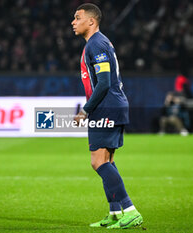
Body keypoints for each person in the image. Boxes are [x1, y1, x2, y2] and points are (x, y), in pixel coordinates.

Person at [71, 3, 143, 229]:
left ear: (91, 21)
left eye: (77, 17)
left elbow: (103, 83)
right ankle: (114, 212)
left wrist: (86, 110)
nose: (73, 22)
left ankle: (130, 211)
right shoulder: (98, 43)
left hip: (106, 107)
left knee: (97, 162)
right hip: (112, 106)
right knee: (107, 161)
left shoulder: (96, 43)